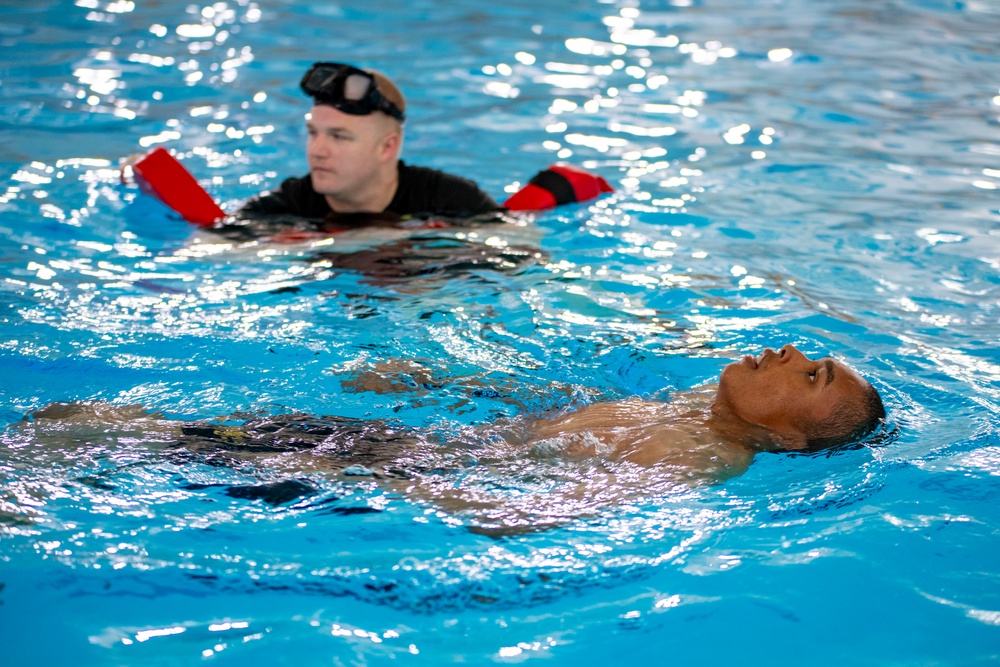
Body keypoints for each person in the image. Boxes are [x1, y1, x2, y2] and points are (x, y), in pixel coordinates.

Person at [233, 62, 501, 234]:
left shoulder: (452, 201)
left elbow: (523, 260)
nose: (317, 150)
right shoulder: (278, 211)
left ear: (386, 148)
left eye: (339, 137)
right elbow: (206, 253)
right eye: (313, 133)